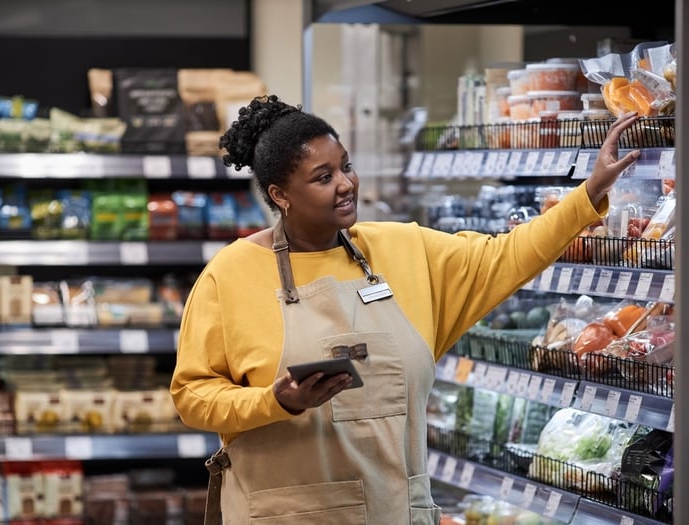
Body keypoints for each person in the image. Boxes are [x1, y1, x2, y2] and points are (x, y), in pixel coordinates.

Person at [169, 94, 641, 524]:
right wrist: (275, 402)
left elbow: (505, 256)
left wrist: (588, 195)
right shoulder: (229, 275)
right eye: (323, 177)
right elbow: (192, 396)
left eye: (346, 166)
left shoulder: (402, 250)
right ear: (280, 195)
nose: (346, 184)